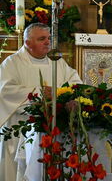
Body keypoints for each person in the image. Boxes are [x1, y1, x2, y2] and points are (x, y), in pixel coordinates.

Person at [0, 23, 82, 181]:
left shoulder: (56, 61)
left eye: (49, 38)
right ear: (27, 43)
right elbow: (4, 91)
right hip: (20, 130)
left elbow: (75, 83)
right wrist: (38, 92)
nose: (47, 42)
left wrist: (66, 95)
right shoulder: (12, 63)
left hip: (54, 130)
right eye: (42, 39)